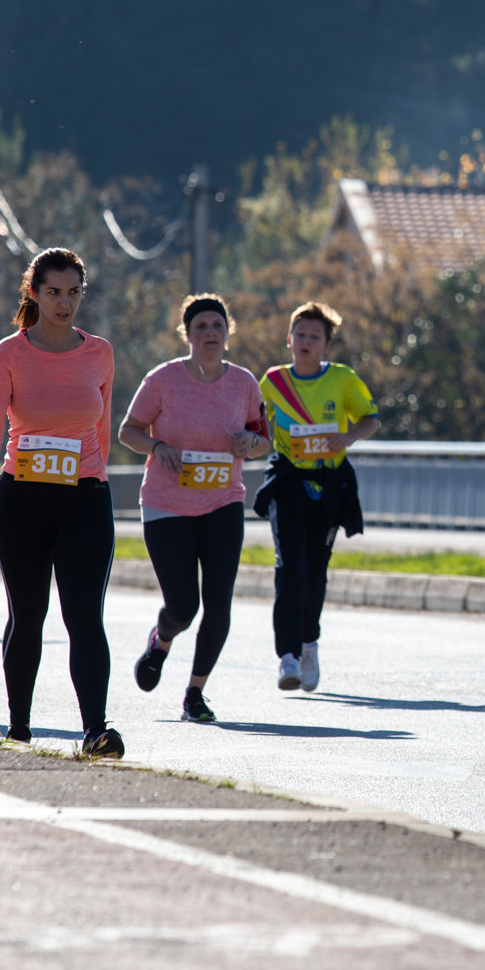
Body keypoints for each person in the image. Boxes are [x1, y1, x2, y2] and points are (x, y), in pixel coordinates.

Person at [0, 247, 123, 758]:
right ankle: (18, 727)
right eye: (54, 292)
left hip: (84, 496)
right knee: (28, 612)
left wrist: (95, 477)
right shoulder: (10, 352)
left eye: (74, 292)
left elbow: (100, 425)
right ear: (33, 293)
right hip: (22, 498)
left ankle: (95, 730)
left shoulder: (98, 351)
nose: (65, 303)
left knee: (84, 615)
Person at [120, 293, 270, 723]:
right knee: (184, 606)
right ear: (187, 334)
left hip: (224, 499)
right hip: (167, 503)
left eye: (217, 326)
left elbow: (263, 439)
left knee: (218, 602)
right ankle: (161, 639)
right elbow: (128, 431)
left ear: (228, 332)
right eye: (201, 326)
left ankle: (195, 693)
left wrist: (251, 444)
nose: (210, 333)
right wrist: (157, 445)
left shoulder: (243, 383)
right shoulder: (164, 379)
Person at [256, 301, 377, 696]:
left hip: (329, 484)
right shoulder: (273, 381)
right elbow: (253, 424)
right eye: (300, 335)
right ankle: (287, 657)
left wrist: (348, 436)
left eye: (315, 337)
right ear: (288, 339)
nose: (306, 342)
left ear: (327, 345)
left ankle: (309, 645)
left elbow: (370, 419)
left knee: (314, 572)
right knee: (289, 568)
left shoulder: (342, 379)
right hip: (289, 480)